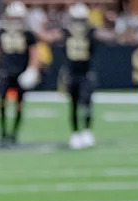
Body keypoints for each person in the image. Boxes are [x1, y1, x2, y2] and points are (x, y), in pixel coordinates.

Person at [0, 2, 40, 146]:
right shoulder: (1, 32)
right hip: (4, 71)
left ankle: (14, 133)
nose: (15, 21)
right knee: (1, 102)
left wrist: (32, 69)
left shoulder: (28, 34)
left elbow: (35, 53)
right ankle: (2, 131)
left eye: (18, 18)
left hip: (20, 72)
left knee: (19, 104)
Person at [58, 4, 97, 149]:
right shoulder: (66, 32)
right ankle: (75, 133)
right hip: (71, 72)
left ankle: (87, 130)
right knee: (73, 105)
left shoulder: (91, 32)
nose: (79, 23)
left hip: (85, 71)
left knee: (86, 103)